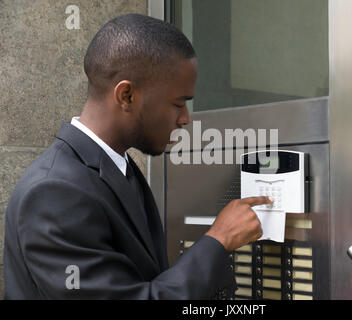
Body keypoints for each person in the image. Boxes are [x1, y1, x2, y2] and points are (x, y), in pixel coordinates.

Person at [3, 14, 272, 299]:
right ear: (127, 95)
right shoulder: (54, 192)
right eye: (178, 103)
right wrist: (218, 240)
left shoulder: (118, 167)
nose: (185, 119)